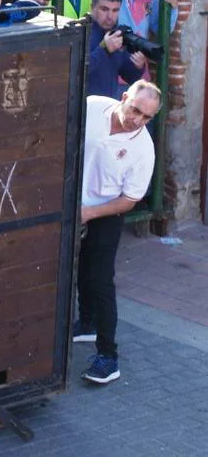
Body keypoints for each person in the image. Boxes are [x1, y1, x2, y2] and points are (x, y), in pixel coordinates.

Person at [75, 80, 161, 384]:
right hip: (71, 203)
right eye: (135, 109)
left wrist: (89, 213)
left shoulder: (144, 151)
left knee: (100, 281)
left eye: (146, 117)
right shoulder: (93, 106)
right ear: (124, 97)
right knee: (78, 271)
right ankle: (85, 324)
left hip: (105, 213)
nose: (137, 120)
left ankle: (108, 357)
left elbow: (129, 199)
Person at [87, 0, 145, 98]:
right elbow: (76, 71)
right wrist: (104, 49)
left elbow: (129, 77)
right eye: (104, 9)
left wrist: (138, 66)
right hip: (81, 108)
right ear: (92, 8)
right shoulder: (80, 33)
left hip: (108, 107)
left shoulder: (116, 35)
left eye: (115, 10)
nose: (110, 16)